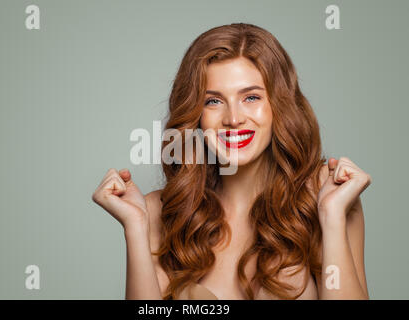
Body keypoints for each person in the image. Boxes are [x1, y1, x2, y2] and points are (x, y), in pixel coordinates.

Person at [92, 23, 371, 300]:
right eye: (213, 101)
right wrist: (135, 226)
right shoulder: (159, 212)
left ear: (279, 105)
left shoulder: (328, 197)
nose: (234, 119)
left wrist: (332, 217)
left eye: (251, 97)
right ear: (195, 114)